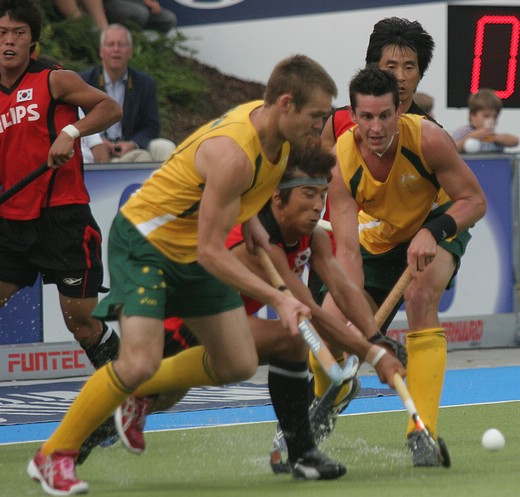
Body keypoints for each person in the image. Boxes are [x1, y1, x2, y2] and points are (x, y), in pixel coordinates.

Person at [27, 53, 343, 496]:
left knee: (237, 362)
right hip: (145, 244)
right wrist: (278, 299)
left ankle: (140, 394)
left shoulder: (278, 138)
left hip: (190, 248)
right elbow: (214, 252)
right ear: (286, 104)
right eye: (317, 116)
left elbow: (240, 193)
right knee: (139, 359)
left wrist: (249, 216)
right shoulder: (234, 153)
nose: (321, 126)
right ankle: (52, 455)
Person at [75, 146, 407, 472]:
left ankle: (301, 453)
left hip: (223, 324)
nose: (318, 207)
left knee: (284, 343)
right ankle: (67, 449)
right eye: (308, 195)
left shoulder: (314, 238)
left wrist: (377, 338)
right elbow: (308, 310)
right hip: (181, 326)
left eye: (322, 196)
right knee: (143, 394)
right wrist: (374, 355)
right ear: (278, 198)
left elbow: (345, 289)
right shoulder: (257, 244)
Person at [326, 65, 486, 467]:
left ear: (399, 110)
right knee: (331, 319)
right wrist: (366, 332)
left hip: (439, 223)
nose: (376, 127)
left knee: (419, 295)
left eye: (384, 116)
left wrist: (435, 230)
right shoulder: (340, 161)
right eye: (366, 117)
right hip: (379, 238)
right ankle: (322, 407)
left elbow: (474, 200)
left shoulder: (428, 138)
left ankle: (422, 431)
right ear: (354, 116)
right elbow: (346, 252)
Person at [0, 1, 122, 371]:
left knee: (80, 322)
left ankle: (127, 385)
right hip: (10, 224)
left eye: (18, 33)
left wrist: (71, 132)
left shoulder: (54, 79)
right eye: (2, 33)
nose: (9, 41)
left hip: (63, 220)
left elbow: (110, 108)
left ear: (32, 39)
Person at [322, 17, 438, 153]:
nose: (400, 77)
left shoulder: (431, 132)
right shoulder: (339, 121)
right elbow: (320, 171)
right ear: (374, 68)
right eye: (391, 67)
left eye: (408, 67)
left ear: (420, 73)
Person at [80, 24, 176, 163]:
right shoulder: (84, 82)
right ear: (101, 51)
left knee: (165, 147)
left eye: (122, 45)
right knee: (143, 158)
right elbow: (77, 121)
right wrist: (98, 142)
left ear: (130, 51)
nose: (116, 50)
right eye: (111, 44)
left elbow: (151, 126)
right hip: (96, 149)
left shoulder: (144, 83)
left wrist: (133, 144)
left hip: (129, 147)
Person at [451, 88, 519, 154]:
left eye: (495, 116)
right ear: (473, 115)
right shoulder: (462, 132)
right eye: (486, 116)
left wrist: (492, 137)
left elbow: (514, 141)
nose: (491, 120)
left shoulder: (494, 137)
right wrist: (470, 138)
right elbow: (450, 149)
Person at [103, 0, 176, 33]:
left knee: (168, 20)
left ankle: (151, 47)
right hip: (108, 5)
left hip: (135, 4)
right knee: (140, 14)